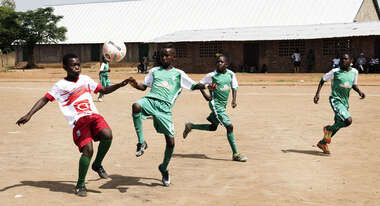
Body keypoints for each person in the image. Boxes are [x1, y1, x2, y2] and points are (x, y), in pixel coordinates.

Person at [16, 53, 130, 197]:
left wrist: (120, 84)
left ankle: (97, 164)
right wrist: (29, 114)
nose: (77, 67)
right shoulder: (60, 85)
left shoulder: (85, 79)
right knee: (88, 150)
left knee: (108, 135)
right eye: (73, 65)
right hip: (78, 121)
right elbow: (44, 99)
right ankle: (80, 184)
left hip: (93, 115)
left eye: (78, 64)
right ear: (65, 67)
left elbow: (103, 90)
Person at [127, 45, 215, 187]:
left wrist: (206, 87)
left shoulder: (179, 74)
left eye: (167, 56)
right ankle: (141, 142)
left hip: (165, 108)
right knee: (136, 105)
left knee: (171, 143)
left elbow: (194, 86)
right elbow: (144, 87)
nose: (164, 58)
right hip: (150, 100)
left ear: (174, 57)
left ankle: (163, 168)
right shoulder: (154, 71)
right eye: (162, 55)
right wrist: (134, 84)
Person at [182, 55, 248, 162]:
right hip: (215, 104)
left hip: (222, 106)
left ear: (226, 64)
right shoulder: (212, 75)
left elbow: (234, 87)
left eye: (221, 62)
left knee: (213, 127)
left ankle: (191, 126)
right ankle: (236, 154)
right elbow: (199, 84)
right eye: (217, 62)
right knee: (229, 127)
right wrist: (205, 95)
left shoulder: (231, 74)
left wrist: (234, 100)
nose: (218, 64)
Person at [313, 53, 365, 154]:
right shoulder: (335, 71)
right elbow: (322, 80)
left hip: (345, 102)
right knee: (348, 121)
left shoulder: (354, 72)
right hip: (335, 100)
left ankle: (322, 143)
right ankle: (328, 129)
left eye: (345, 59)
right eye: (341, 59)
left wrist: (360, 92)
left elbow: (354, 85)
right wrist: (317, 94)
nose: (343, 61)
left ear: (350, 61)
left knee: (339, 124)